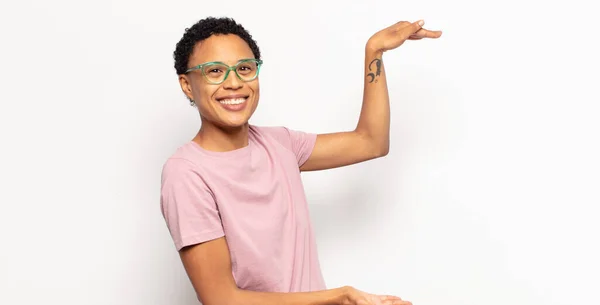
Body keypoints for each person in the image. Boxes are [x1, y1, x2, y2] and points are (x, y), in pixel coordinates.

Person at [160, 16, 441, 305]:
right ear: (187, 85)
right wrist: (341, 297)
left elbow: (371, 142)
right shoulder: (186, 174)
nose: (234, 83)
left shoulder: (280, 144)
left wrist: (375, 52)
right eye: (214, 71)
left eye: (244, 68)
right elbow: (221, 298)